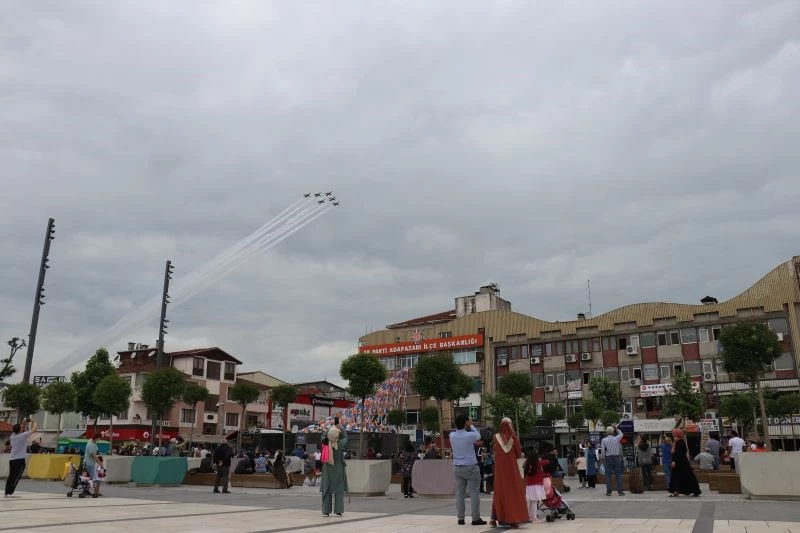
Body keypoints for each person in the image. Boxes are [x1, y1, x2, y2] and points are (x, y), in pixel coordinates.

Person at [489, 417, 527, 529]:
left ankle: (493, 518)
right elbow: (518, 454)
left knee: (499, 492)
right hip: (512, 471)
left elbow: (495, 452)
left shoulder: (495, 438)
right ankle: (513, 520)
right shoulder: (514, 439)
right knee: (513, 493)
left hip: (500, 471)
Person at [449, 414, 486, 526]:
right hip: (471, 467)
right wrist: (471, 425)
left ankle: (460, 518)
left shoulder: (452, 435)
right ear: (466, 423)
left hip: (457, 468)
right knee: (474, 493)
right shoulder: (470, 435)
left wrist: (466, 424)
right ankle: (475, 518)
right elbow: (478, 435)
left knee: (460, 494)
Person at [321, 417, 348, 516]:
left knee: (327, 489)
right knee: (339, 489)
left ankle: (326, 511)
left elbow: (324, 436)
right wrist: (340, 427)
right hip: (338, 467)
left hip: (327, 467)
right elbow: (346, 437)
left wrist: (330, 428)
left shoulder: (325, 444)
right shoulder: (340, 444)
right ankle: (338, 510)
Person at [5, 418, 37, 497]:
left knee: (11, 476)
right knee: (17, 477)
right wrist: (34, 421)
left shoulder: (12, 436)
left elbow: (21, 428)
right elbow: (35, 428)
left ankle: (6, 492)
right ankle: (10, 492)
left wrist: (24, 422)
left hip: (12, 460)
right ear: (20, 430)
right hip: (20, 461)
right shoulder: (23, 435)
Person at [669, 428, 701, 497]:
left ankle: (693, 490)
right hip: (680, 463)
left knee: (685, 477)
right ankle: (679, 491)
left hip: (681, 463)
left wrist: (674, 461)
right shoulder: (678, 441)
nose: (672, 434)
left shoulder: (680, 442)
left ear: (677, 434)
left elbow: (678, 453)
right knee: (679, 477)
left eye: (674, 433)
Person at [523, 450, 548, 523]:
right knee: (534, 502)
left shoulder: (526, 464)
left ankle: (529, 516)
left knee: (529, 502)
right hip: (537, 485)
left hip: (529, 486)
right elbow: (547, 461)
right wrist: (542, 458)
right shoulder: (538, 463)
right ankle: (534, 517)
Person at [601, 424, 625, 496]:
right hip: (616, 458)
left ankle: (609, 491)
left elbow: (602, 450)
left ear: (606, 432)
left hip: (608, 458)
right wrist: (616, 428)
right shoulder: (616, 438)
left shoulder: (604, 439)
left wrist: (603, 458)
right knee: (618, 475)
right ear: (613, 432)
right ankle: (620, 491)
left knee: (608, 475)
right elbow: (621, 434)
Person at [84, 433, 102, 498]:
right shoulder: (92, 445)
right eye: (100, 438)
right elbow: (93, 455)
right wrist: (100, 463)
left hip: (87, 462)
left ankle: (90, 490)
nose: (100, 439)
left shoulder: (91, 441)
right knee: (92, 478)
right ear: (97, 438)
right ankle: (95, 492)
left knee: (89, 478)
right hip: (89, 463)